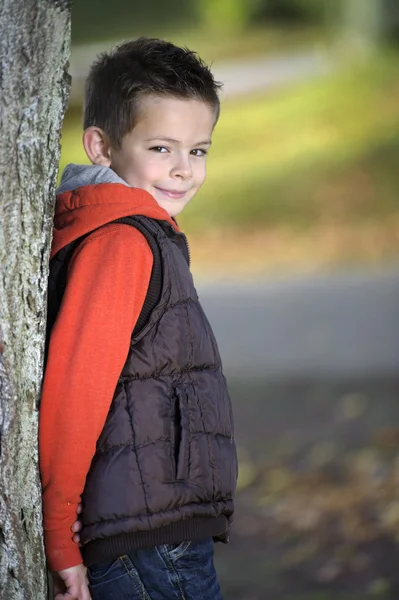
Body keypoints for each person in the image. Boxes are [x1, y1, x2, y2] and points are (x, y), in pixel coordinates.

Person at [39, 37, 238, 600]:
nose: (183, 170)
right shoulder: (122, 244)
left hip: (155, 527)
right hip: (146, 545)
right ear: (101, 146)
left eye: (198, 150)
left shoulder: (143, 234)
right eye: (160, 148)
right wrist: (59, 538)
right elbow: (75, 394)